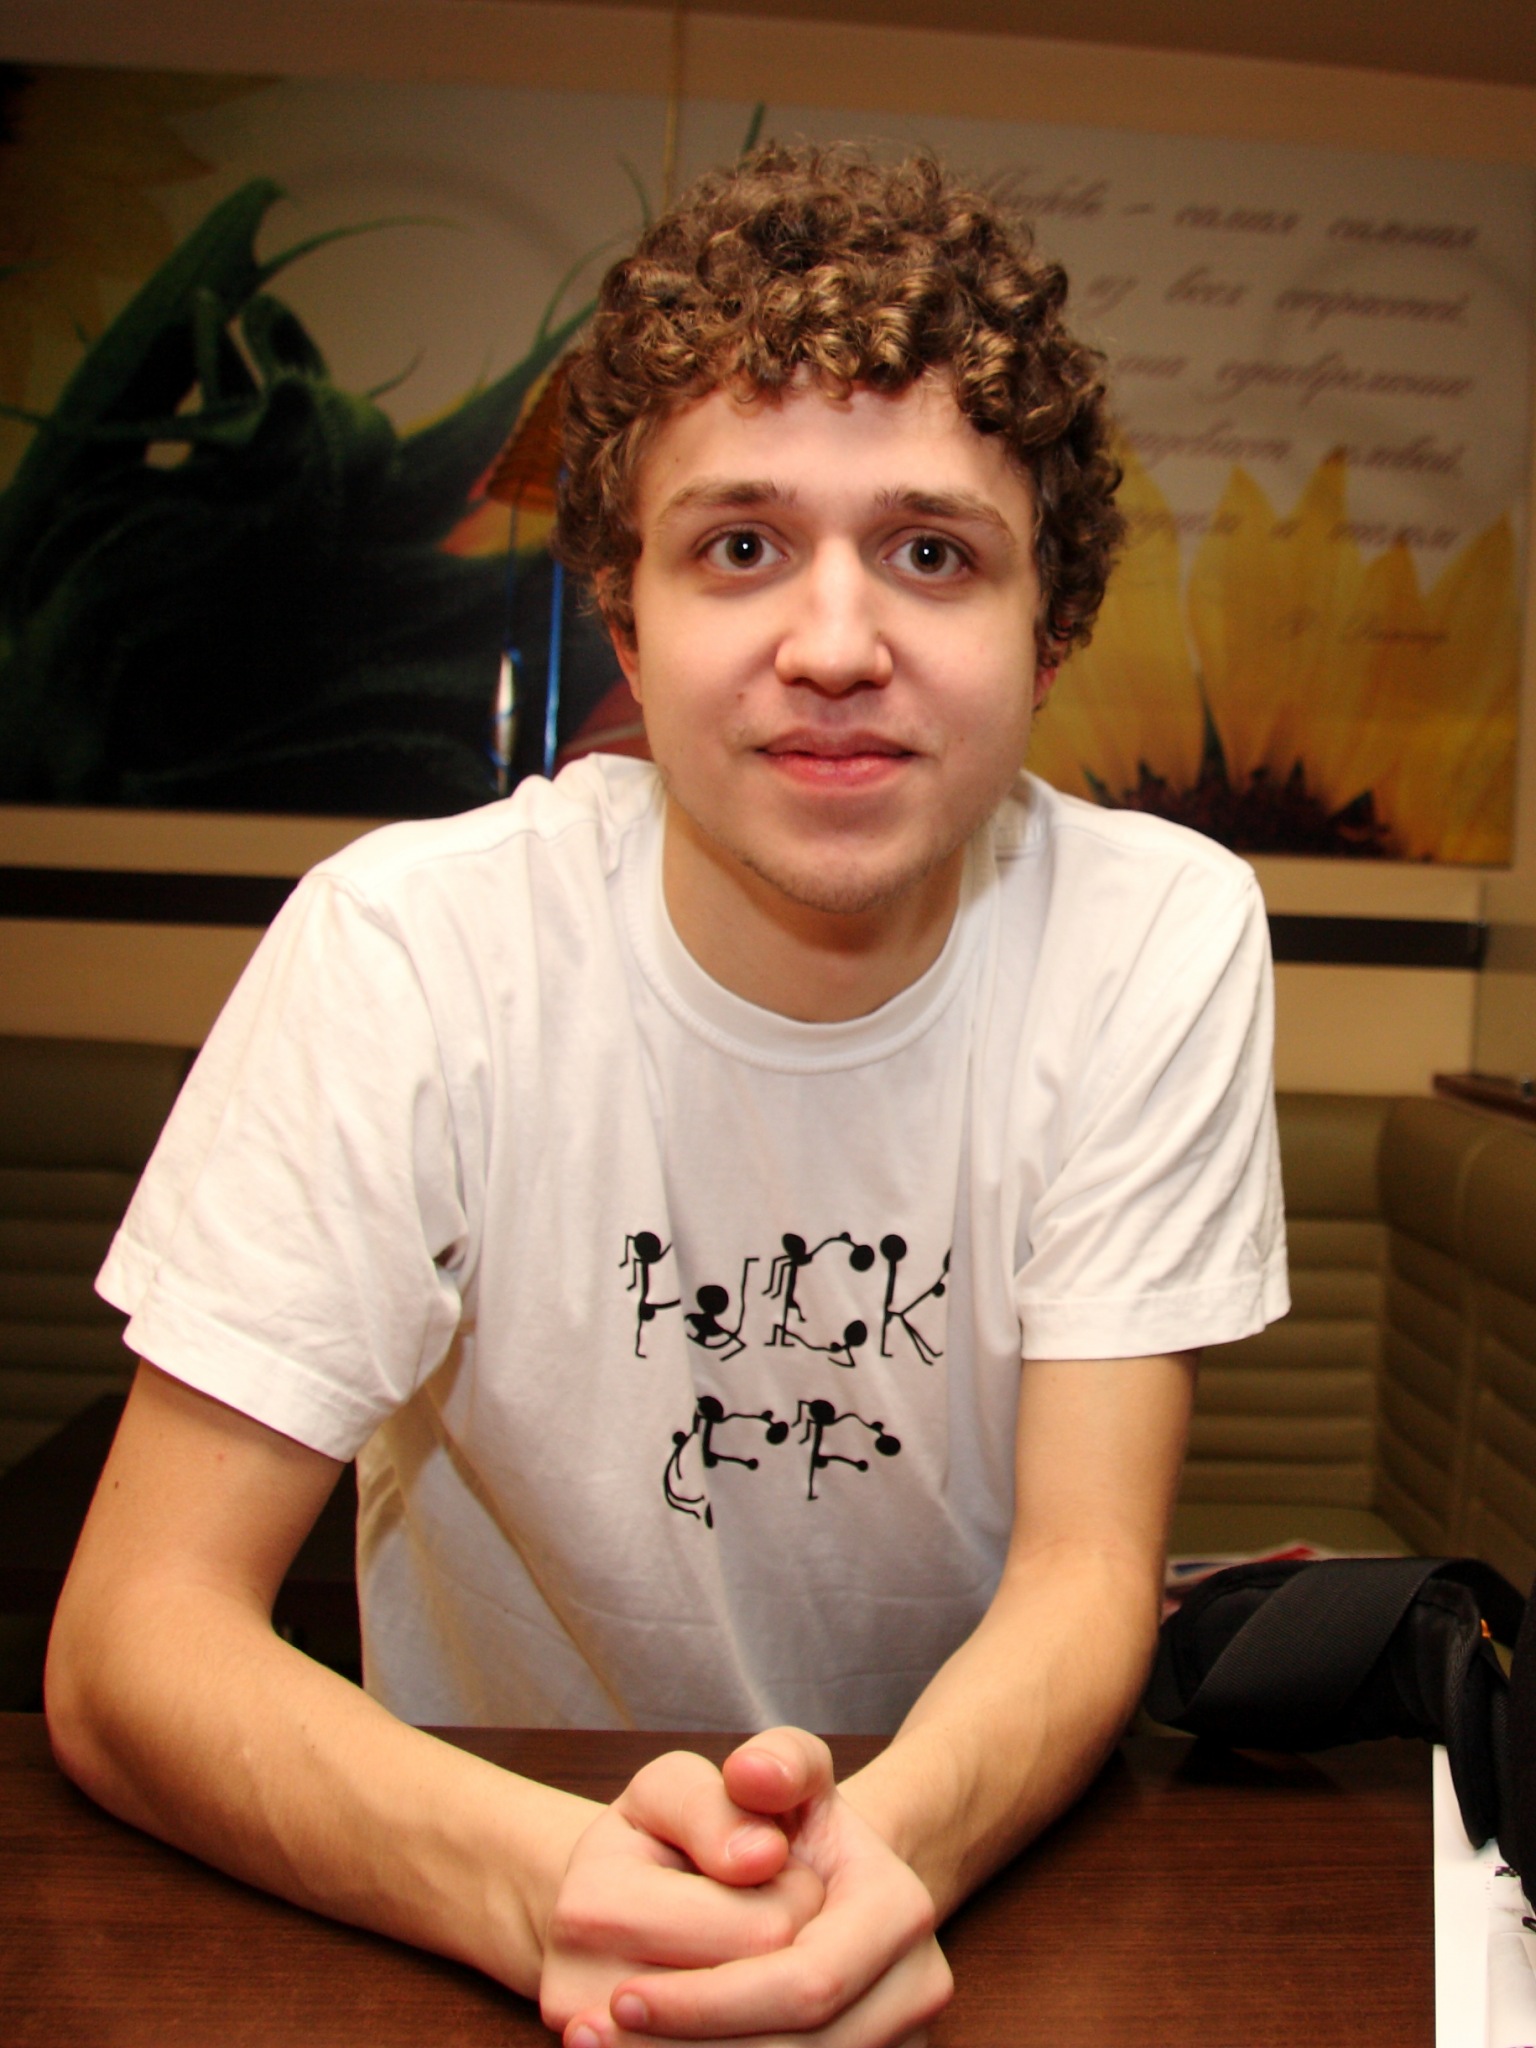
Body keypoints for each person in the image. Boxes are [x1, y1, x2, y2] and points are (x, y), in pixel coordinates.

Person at [46, 145, 1287, 2047]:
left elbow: (1085, 1569)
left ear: (1050, 632)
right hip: (473, 1875)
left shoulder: (1157, 937)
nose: (836, 646)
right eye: (740, 547)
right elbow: (132, 1640)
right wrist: (550, 1888)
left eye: (933, 552)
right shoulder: (408, 950)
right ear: (625, 627)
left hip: (967, 1878)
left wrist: (871, 1869)